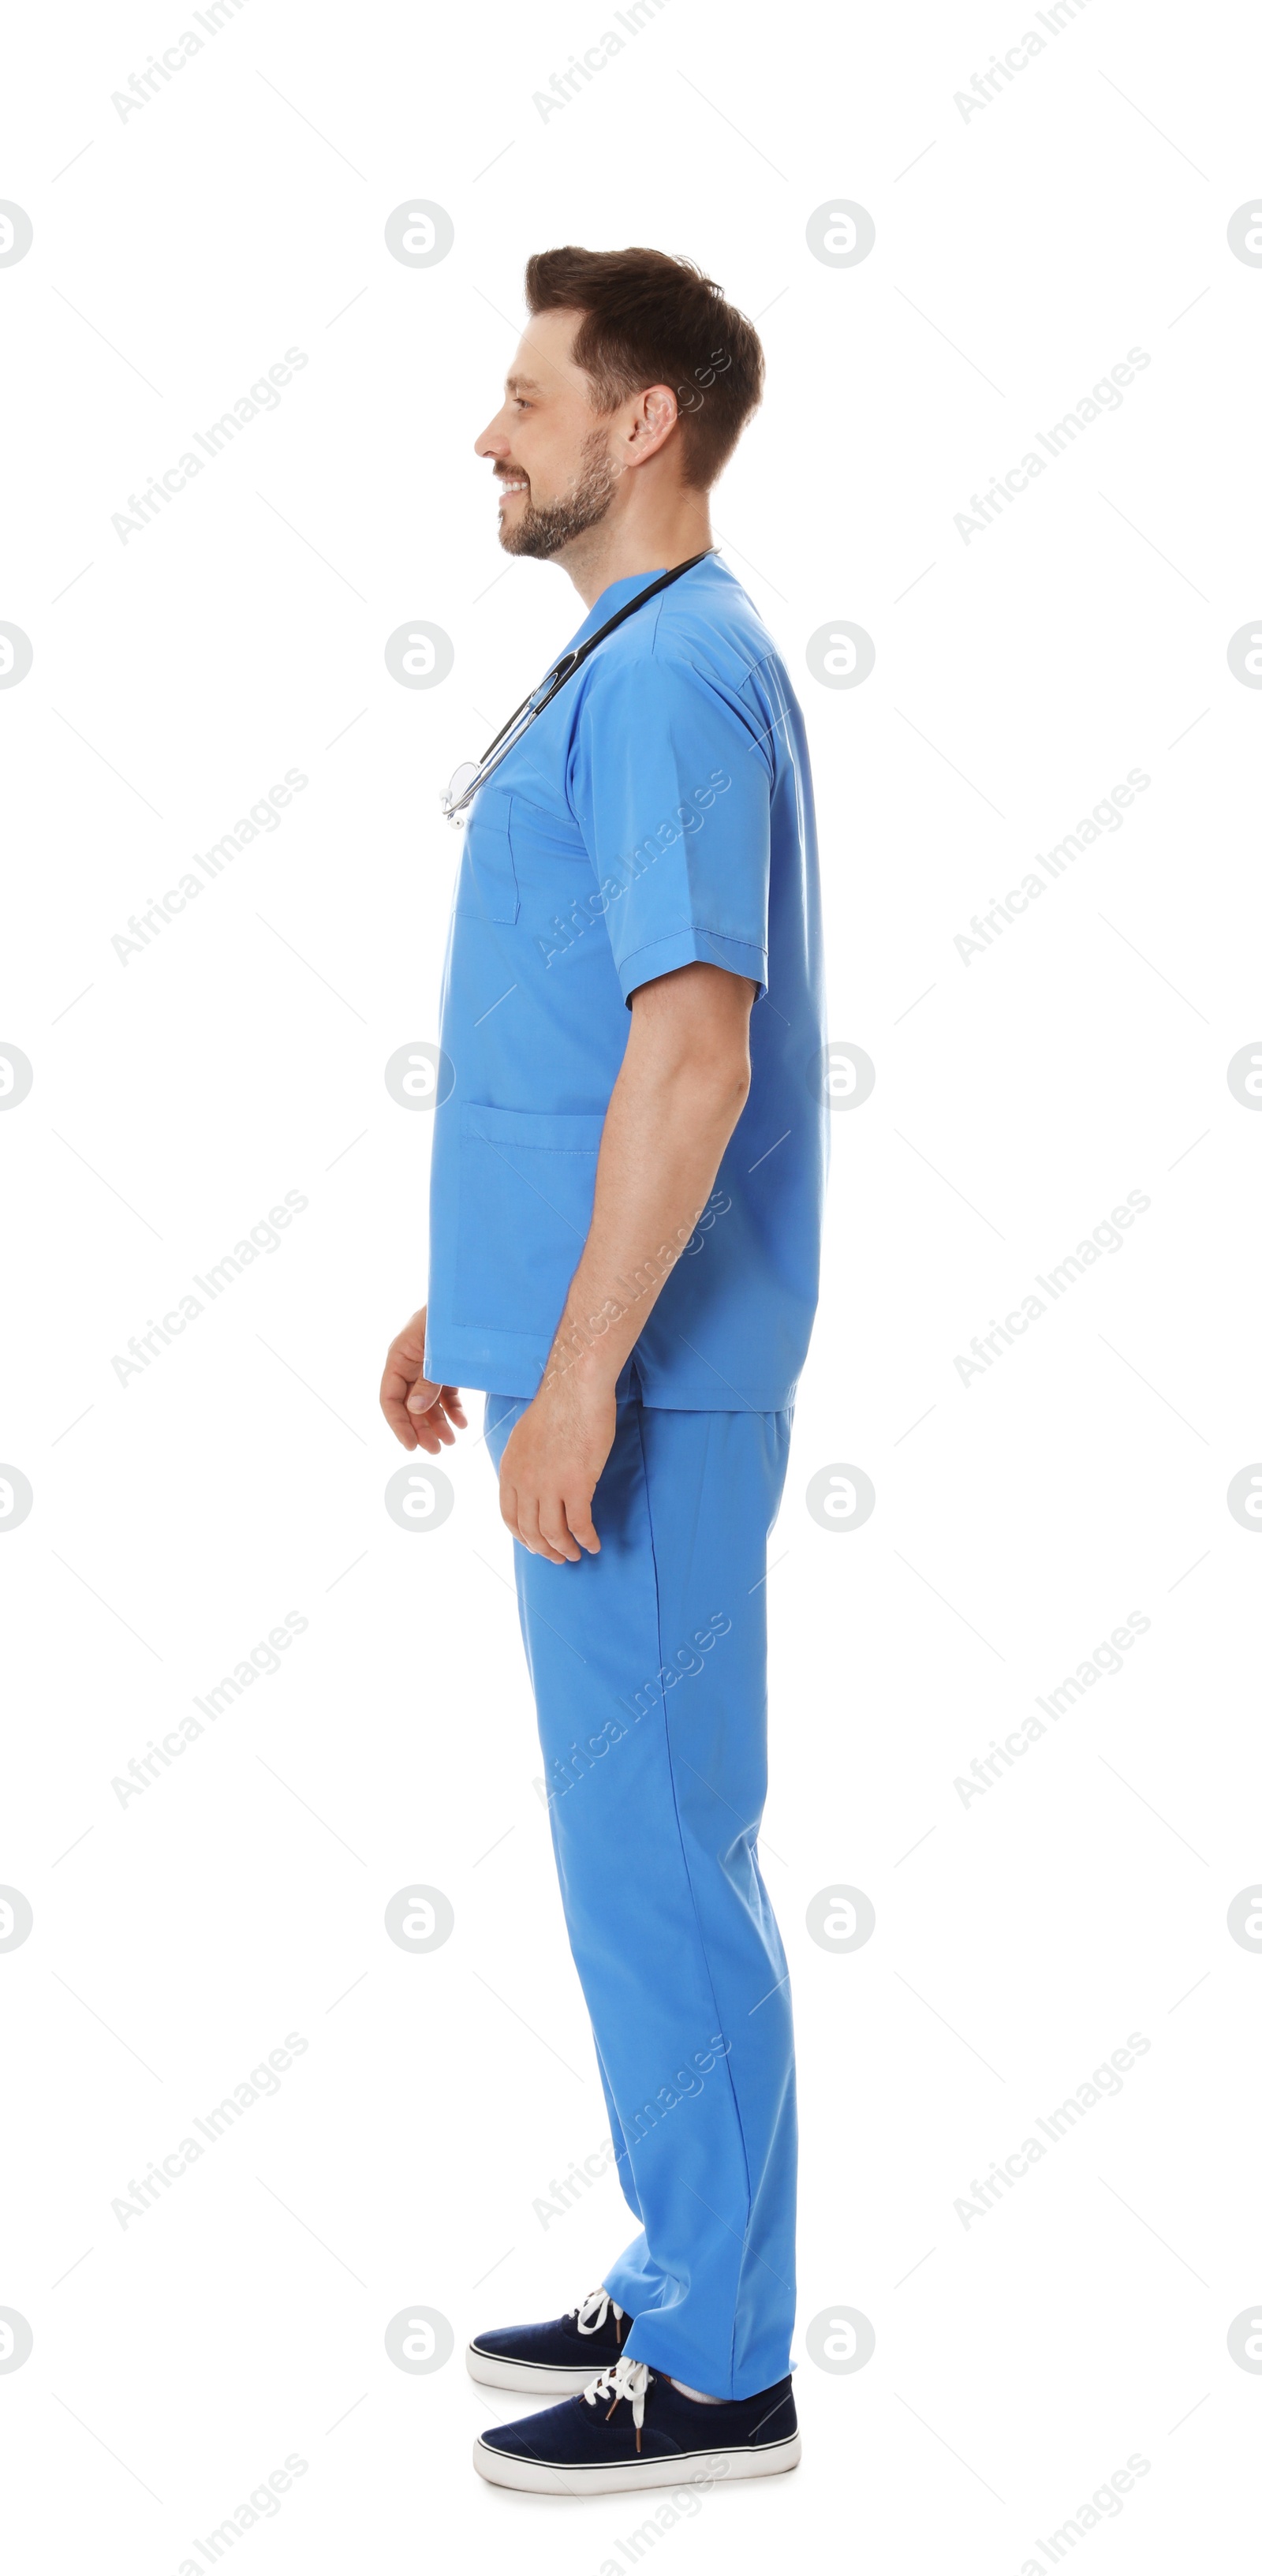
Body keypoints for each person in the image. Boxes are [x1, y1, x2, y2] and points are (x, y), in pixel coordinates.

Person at [379, 245, 827, 2497]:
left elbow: (695, 1043)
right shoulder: (639, 661)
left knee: (664, 1855)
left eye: (529, 394)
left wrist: (574, 1383)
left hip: (647, 1385)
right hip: (597, 1356)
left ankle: (726, 2362)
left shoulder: (668, 682)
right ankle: (685, 2262)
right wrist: (469, 1308)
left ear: (639, 421)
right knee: (635, 1852)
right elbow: (587, 1046)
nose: (492, 429)